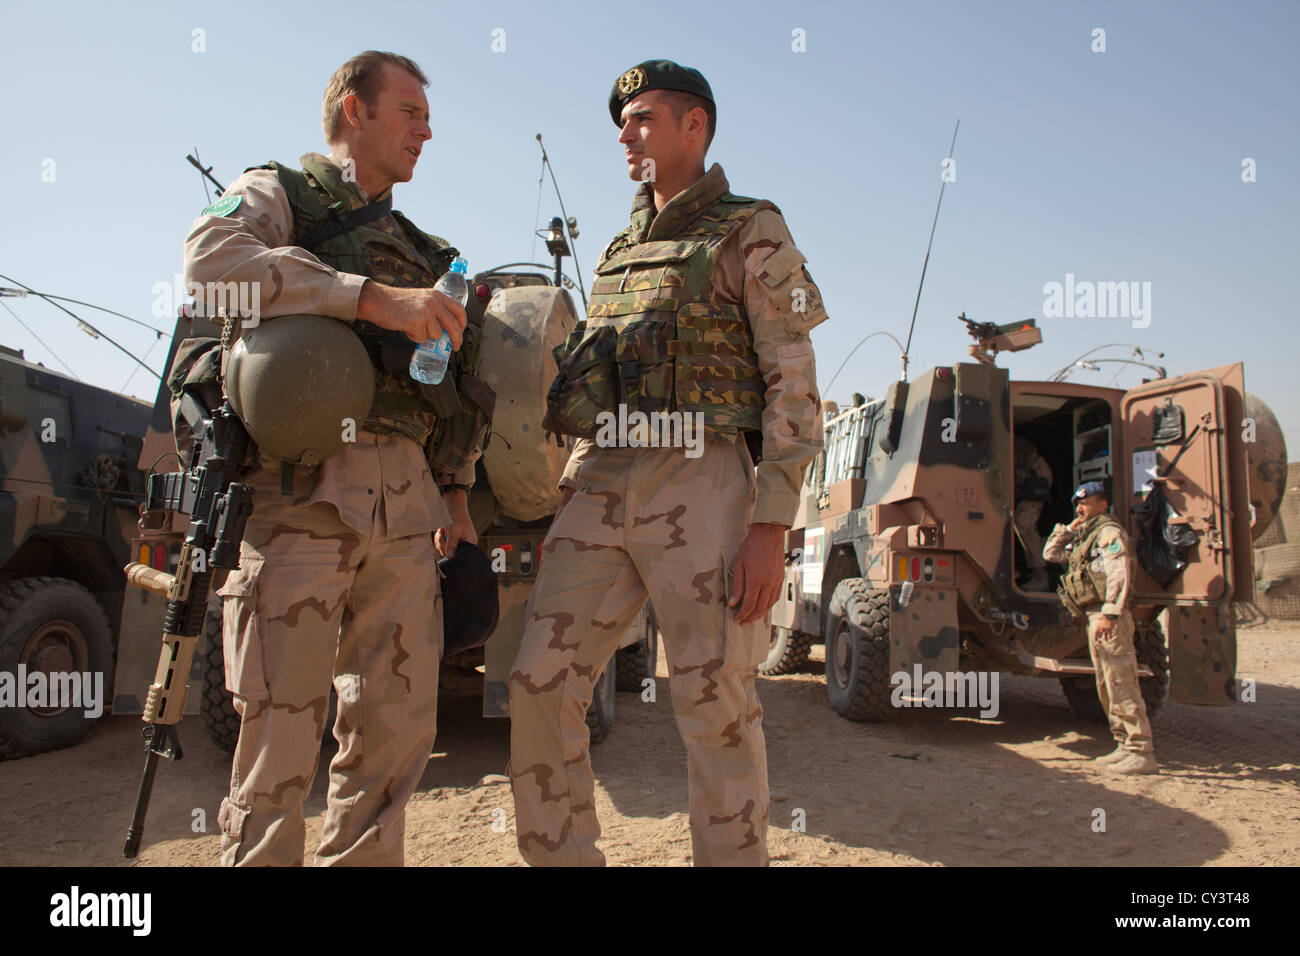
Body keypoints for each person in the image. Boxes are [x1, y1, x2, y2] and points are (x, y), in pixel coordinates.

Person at [508, 59, 829, 866]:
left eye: (643, 117)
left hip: (703, 479)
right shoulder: (617, 251)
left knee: (713, 699)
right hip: (604, 479)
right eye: (622, 121)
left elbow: (793, 380)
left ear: (696, 126)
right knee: (538, 681)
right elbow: (596, 378)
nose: (625, 133)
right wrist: (574, 489)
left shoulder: (752, 227)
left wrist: (771, 522)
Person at [183, 51, 481, 865]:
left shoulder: (431, 251)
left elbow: (458, 385)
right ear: (356, 110)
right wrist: (368, 300)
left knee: (393, 731)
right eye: (410, 111)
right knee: (280, 725)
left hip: (406, 511)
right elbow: (210, 267)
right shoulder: (279, 193)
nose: (428, 129)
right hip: (300, 498)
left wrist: (454, 490)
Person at [1043, 482, 1157, 775]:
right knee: (1106, 685)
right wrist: (1068, 529)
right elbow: (1051, 555)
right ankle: (1123, 744)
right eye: (1077, 503)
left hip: (1110, 618)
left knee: (1122, 682)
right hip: (1095, 617)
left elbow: (1119, 575)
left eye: (1087, 502)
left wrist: (1110, 613)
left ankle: (1141, 750)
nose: (1080, 508)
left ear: (1103, 504)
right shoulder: (1086, 537)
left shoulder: (1109, 533)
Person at [1014, 435, 1053, 590]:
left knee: (1023, 525)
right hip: (1017, 498)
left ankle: (1040, 576)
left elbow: (1044, 479)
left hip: (1031, 495)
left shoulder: (1023, 449)